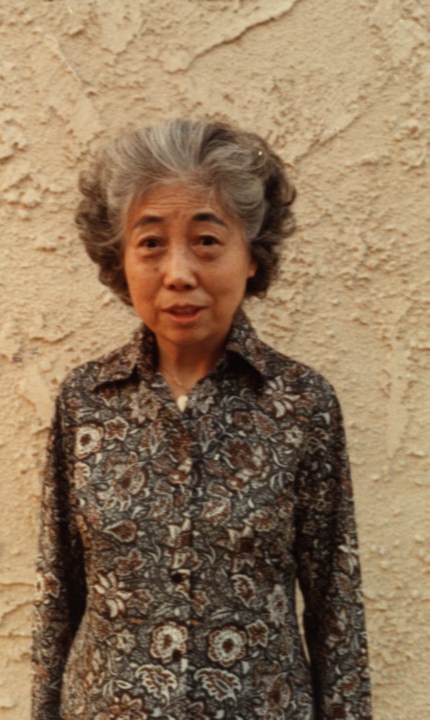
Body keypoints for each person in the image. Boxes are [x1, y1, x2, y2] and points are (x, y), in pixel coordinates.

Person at [32, 119, 372, 720]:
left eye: (207, 240)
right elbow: (57, 592)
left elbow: (335, 605)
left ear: (251, 255)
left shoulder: (301, 403)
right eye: (151, 243)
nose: (179, 272)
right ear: (120, 259)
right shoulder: (86, 400)